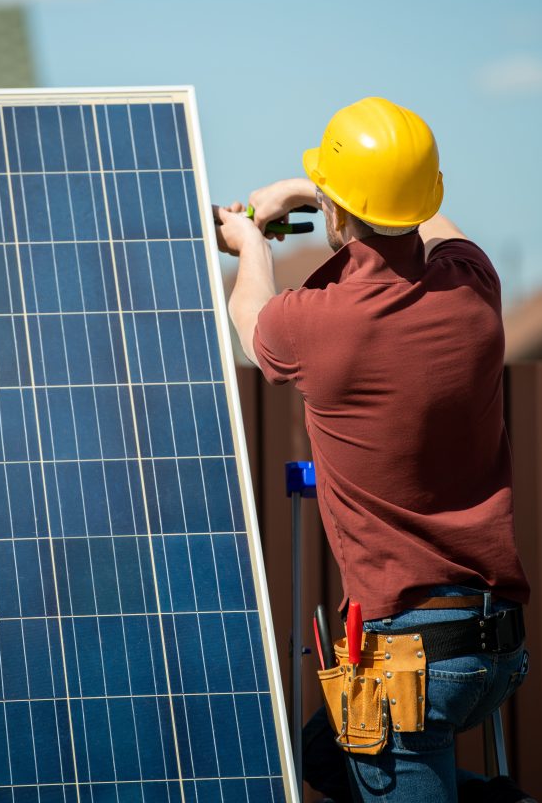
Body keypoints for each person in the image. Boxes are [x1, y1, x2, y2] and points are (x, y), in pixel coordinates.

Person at [214, 97, 532, 803]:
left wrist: (252, 242)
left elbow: (251, 318)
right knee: (322, 756)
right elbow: (434, 226)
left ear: (335, 210)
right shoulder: (473, 287)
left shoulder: (319, 326)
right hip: (496, 653)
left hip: (410, 665)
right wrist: (316, 191)